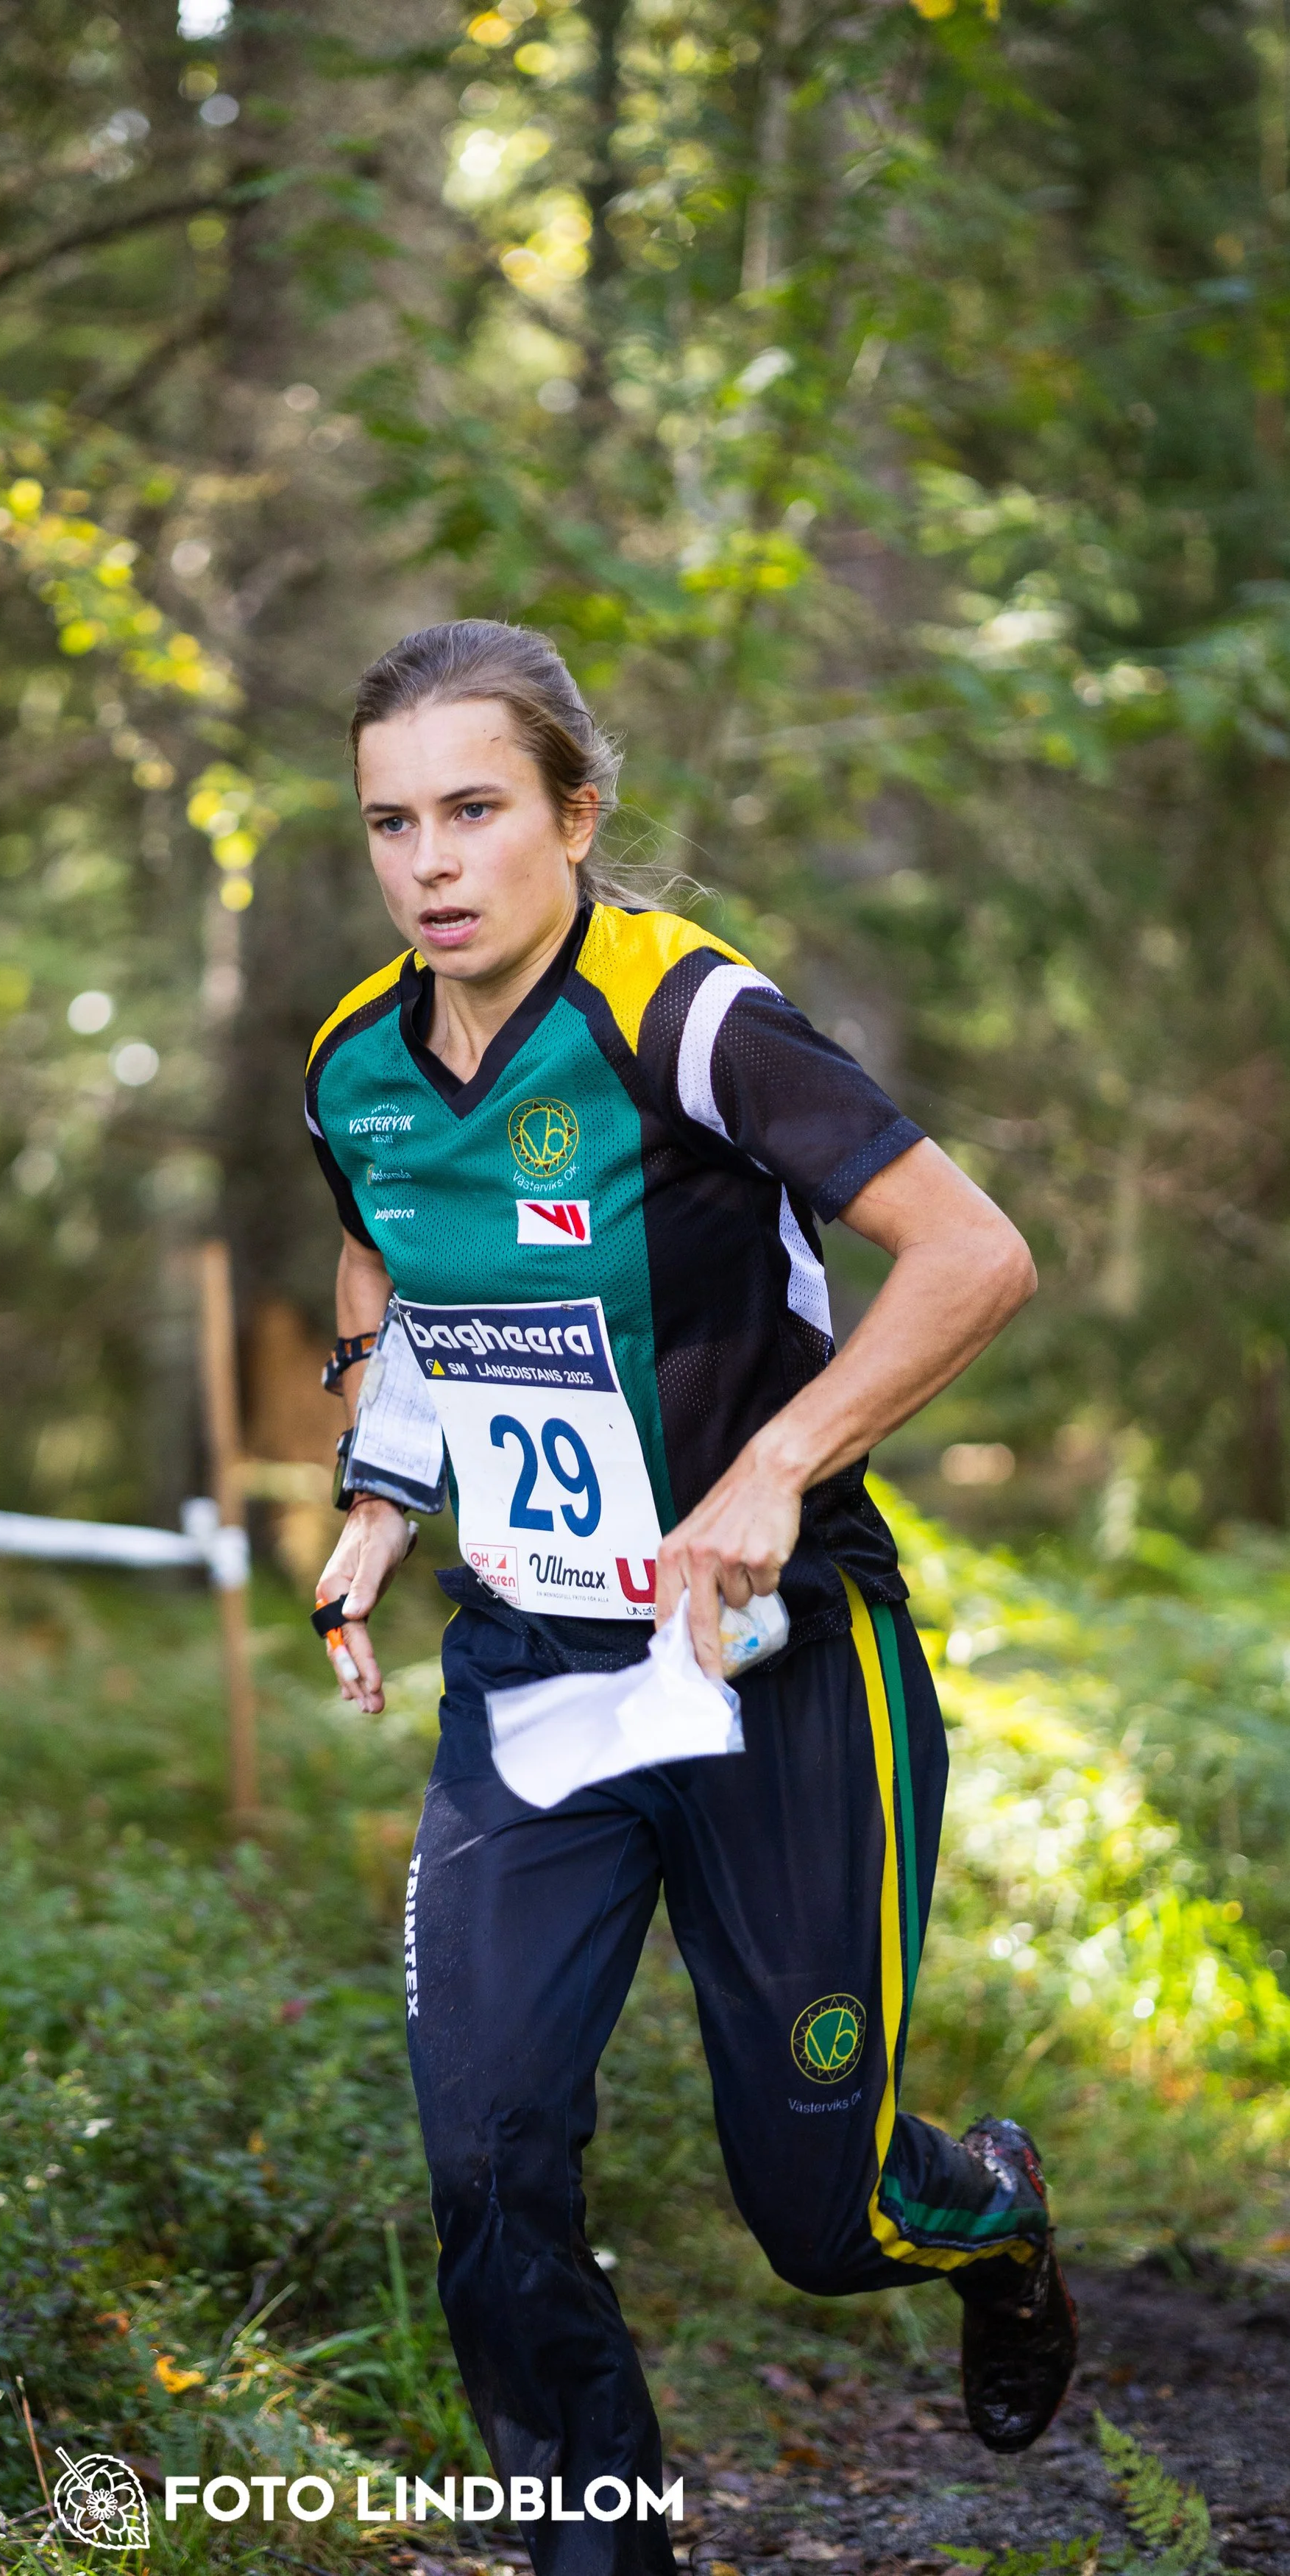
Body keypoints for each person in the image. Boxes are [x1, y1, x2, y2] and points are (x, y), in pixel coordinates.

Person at [305, 620, 1077, 2573]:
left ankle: (985, 2211)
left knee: (819, 2219)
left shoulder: (684, 1011)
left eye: (474, 808)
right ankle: (598, 2546)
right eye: (393, 820)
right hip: (533, 1662)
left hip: (778, 1655)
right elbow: (388, 1278)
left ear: (574, 811)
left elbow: (969, 1256)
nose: (430, 861)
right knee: (483, 2157)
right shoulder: (353, 1067)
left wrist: (768, 1463)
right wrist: (385, 1492)